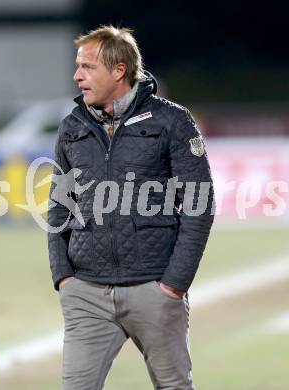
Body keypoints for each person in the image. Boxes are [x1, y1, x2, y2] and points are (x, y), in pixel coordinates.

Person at [48, 25, 215, 390]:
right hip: (86, 292)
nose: (77, 76)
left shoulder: (172, 121)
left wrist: (173, 285)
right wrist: (63, 275)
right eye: (78, 67)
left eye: (87, 67)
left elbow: (199, 206)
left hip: (154, 290)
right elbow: (60, 207)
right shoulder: (72, 126)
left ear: (119, 70)